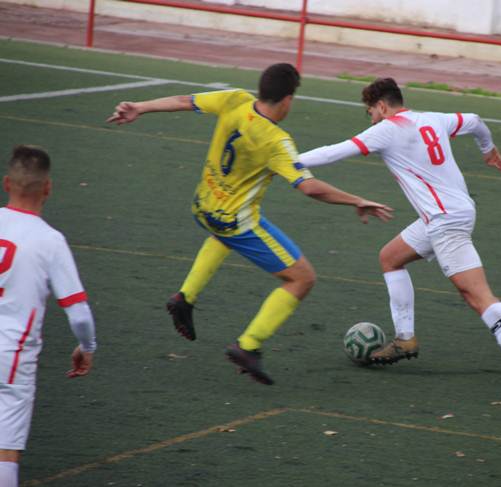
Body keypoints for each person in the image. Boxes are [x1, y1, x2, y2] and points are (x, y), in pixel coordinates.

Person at [107, 63, 392, 386]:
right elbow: (310, 187)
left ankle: (184, 298)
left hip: (203, 205)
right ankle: (249, 345)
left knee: (224, 233)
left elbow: (184, 101)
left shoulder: (235, 100)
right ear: (287, 100)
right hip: (234, 221)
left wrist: (140, 107)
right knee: (302, 278)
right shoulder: (276, 140)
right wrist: (356, 200)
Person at [298, 78, 501, 399]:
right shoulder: (432, 118)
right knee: (390, 257)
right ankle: (405, 339)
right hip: (448, 214)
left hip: (446, 221)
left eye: (370, 112)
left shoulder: (387, 129)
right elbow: (474, 121)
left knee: (477, 295)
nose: (371, 119)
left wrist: (285, 162)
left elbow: (332, 152)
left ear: (382, 106)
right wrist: (487, 149)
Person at [0, 145, 97, 487]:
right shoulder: (50, 240)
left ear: (7, 183)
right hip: (12, 357)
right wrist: (87, 347)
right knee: (5, 450)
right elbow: (79, 313)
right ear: (48, 188)